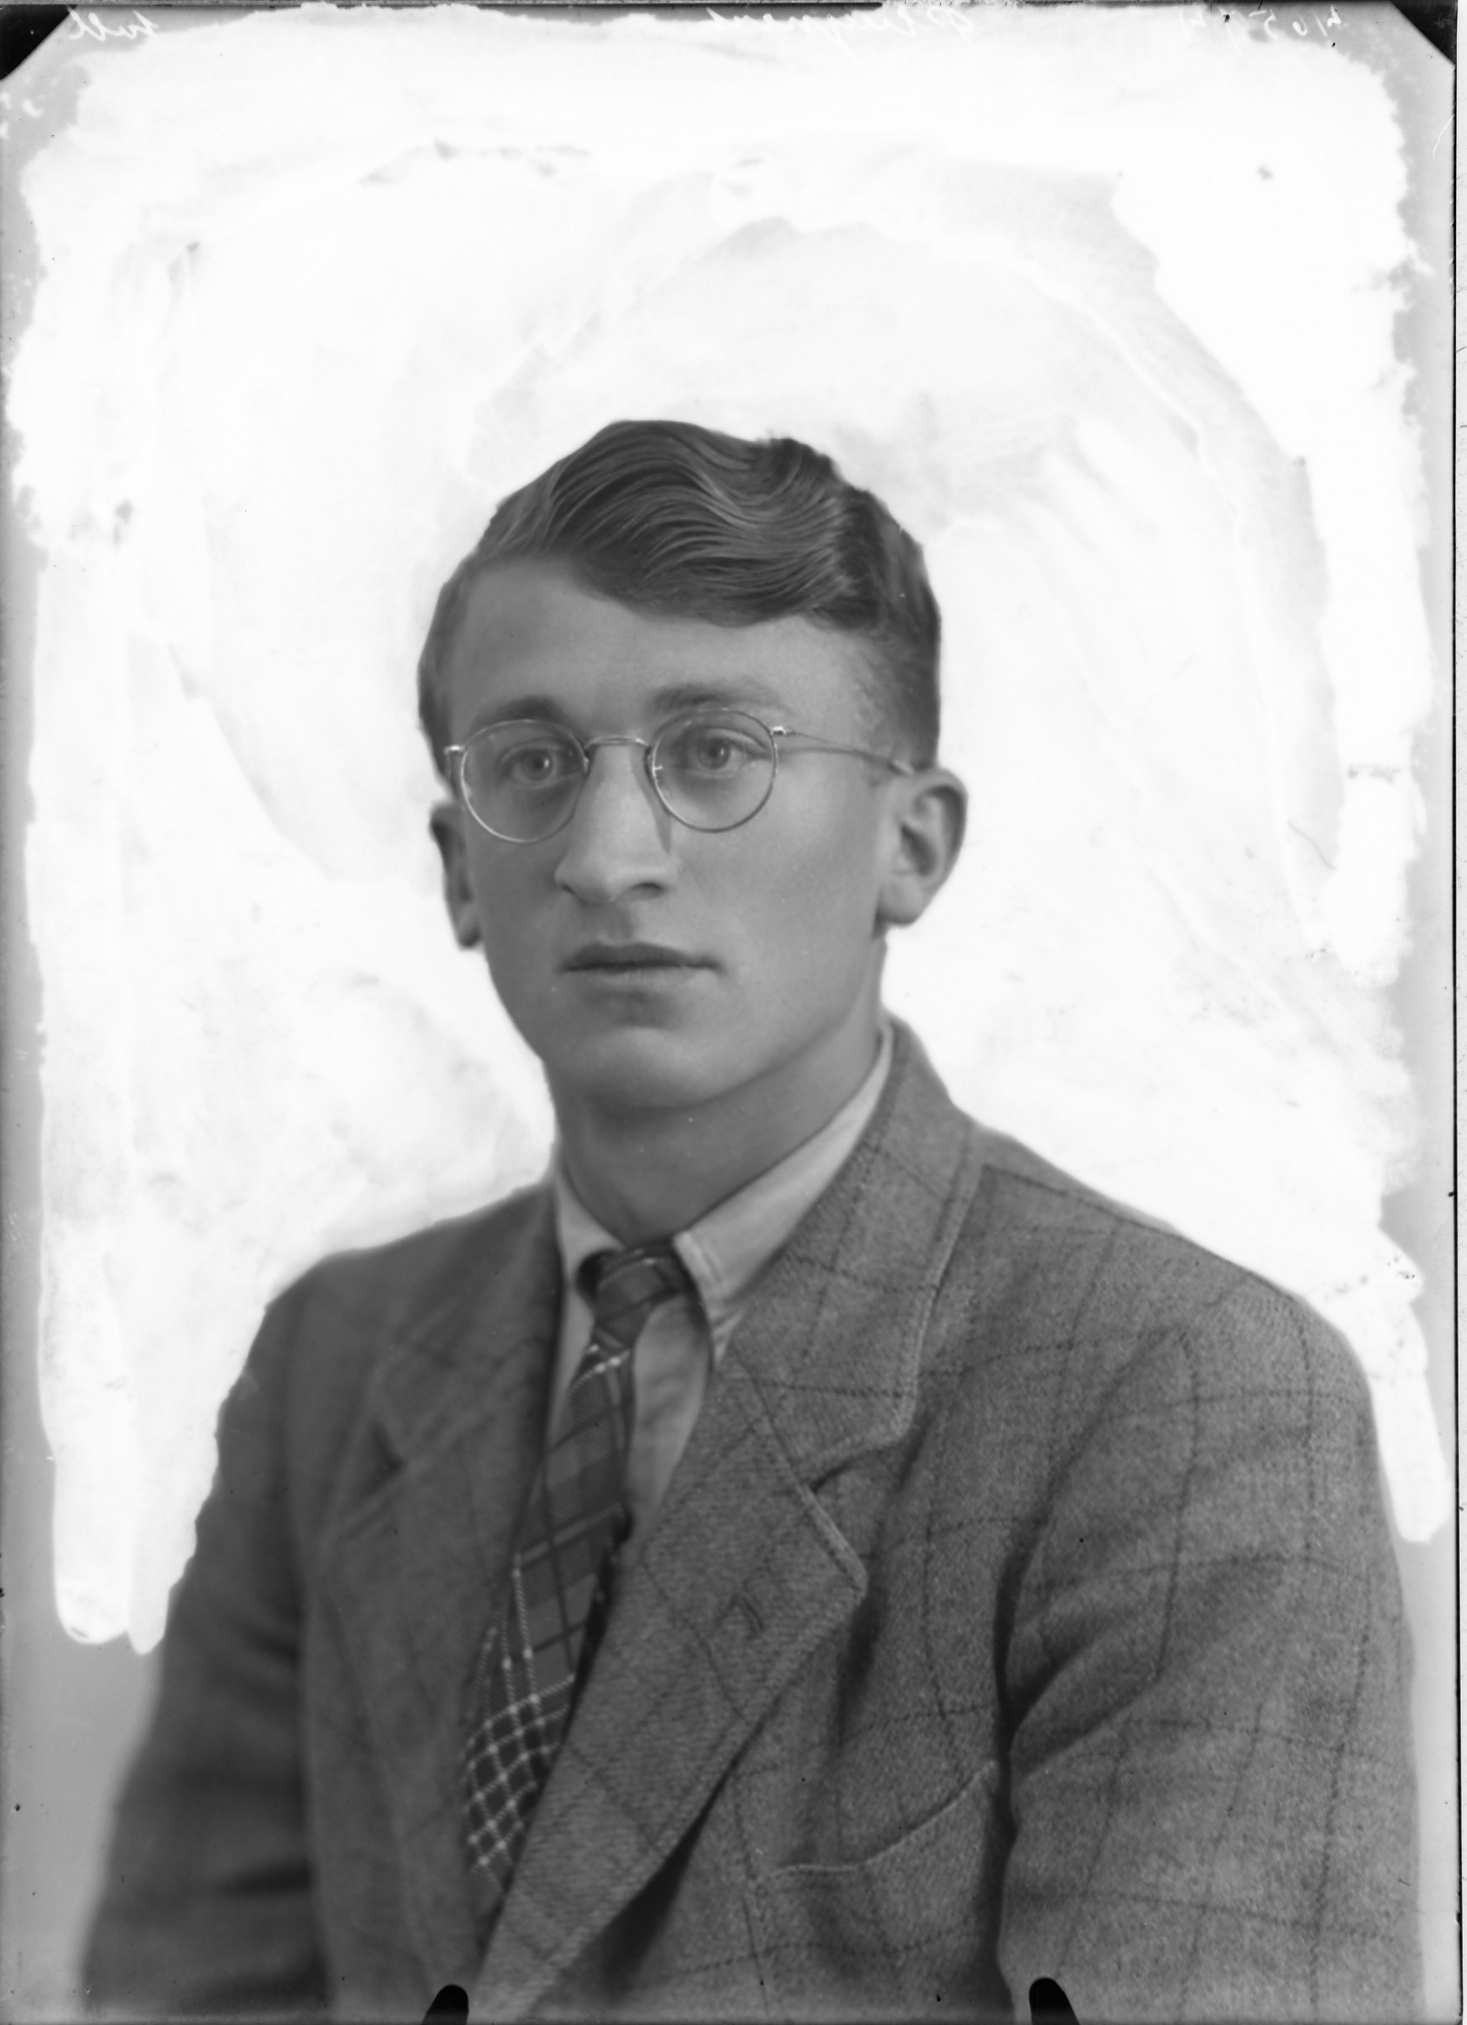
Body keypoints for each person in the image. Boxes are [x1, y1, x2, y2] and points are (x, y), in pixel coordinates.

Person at [85, 420, 1419, 2023]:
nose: (607, 856)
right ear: (456, 871)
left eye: (715, 752)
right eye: (532, 765)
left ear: (911, 844)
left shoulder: (1190, 1401)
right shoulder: (335, 1361)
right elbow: (196, 1989)